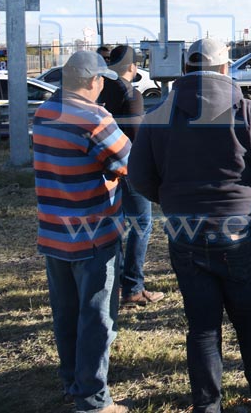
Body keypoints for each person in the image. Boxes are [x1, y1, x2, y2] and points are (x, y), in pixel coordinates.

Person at [129, 38, 251, 413]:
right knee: (250, 317)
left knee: (202, 326)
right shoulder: (247, 111)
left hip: (186, 234)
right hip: (239, 232)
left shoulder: (158, 115)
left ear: (186, 68)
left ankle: (208, 405)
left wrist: (170, 201)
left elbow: (138, 176)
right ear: (225, 68)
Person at [34, 50, 131, 413]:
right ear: (93, 82)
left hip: (53, 230)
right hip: (93, 233)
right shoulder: (95, 116)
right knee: (97, 317)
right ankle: (92, 399)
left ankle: (72, 382)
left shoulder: (44, 112)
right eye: (101, 79)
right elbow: (127, 162)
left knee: (66, 313)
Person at [98, 45, 165, 307]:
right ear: (132, 67)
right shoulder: (131, 93)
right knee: (141, 226)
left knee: (115, 227)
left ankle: (112, 286)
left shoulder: (100, 89)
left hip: (103, 168)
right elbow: (136, 138)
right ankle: (133, 287)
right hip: (129, 169)